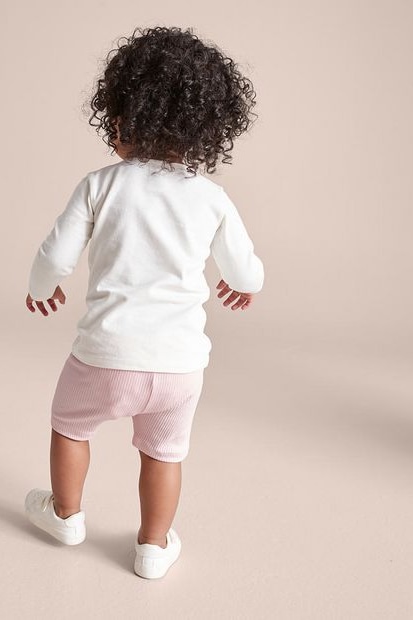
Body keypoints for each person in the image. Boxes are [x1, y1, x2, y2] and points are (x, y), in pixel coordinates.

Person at [23, 25, 264, 579]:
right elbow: (246, 270)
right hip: (180, 367)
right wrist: (244, 286)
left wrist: (41, 288)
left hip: (105, 357)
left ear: (125, 116)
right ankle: (153, 547)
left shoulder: (100, 185)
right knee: (163, 453)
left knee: (69, 426)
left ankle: (65, 515)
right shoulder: (211, 198)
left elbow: (54, 255)